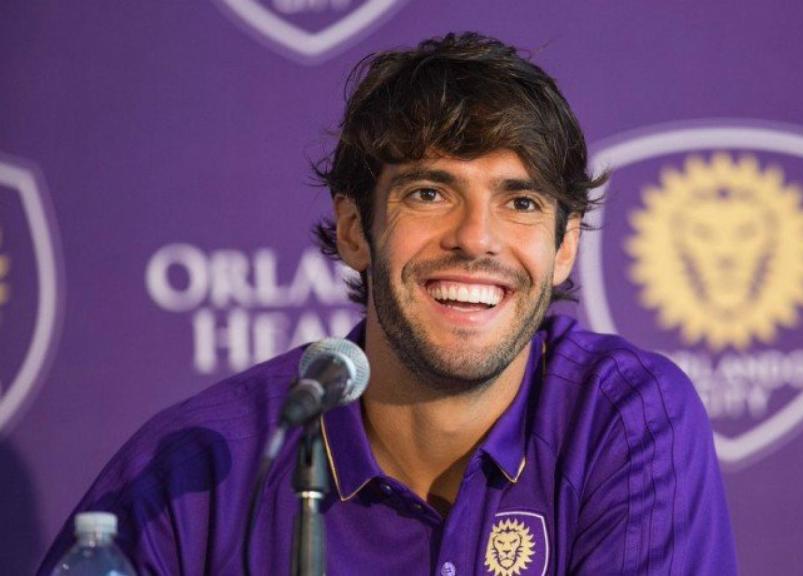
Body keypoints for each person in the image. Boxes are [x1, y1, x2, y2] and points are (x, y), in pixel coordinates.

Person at [39, 33, 737, 575]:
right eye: (429, 193)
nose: (476, 239)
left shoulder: (625, 419)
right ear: (354, 229)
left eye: (520, 202)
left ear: (563, 248)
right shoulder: (202, 462)